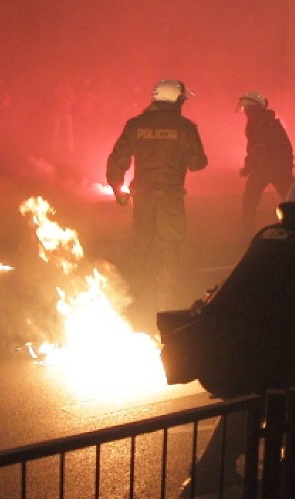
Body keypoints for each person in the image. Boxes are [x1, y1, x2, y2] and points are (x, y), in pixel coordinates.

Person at [160, 172, 295, 499]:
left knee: (250, 397)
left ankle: (208, 475)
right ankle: (292, 494)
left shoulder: (268, 236)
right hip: (263, 355)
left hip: (216, 355)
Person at [106, 79, 208, 330]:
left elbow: (117, 159)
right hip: (170, 197)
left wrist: (117, 189)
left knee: (140, 245)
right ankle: (165, 305)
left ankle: (131, 299)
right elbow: (198, 163)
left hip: (142, 197)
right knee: (168, 247)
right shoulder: (185, 128)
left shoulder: (135, 125)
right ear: (176, 100)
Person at [237, 90, 295, 238]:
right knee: (249, 200)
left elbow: (285, 149)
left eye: (247, 108)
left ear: (254, 108)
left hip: (276, 170)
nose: (245, 112)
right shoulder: (254, 125)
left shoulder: (270, 125)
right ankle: (247, 232)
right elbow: (253, 150)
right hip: (262, 170)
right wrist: (248, 167)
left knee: (294, 199)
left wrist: (285, 170)